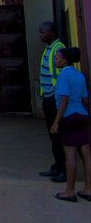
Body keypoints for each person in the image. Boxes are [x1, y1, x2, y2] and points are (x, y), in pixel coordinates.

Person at [49, 47, 90, 202]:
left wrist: (56, 122)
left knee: (70, 156)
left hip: (69, 117)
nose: (55, 60)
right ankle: (88, 188)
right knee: (86, 154)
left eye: (57, 58)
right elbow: (85, 101)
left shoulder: (63, 76)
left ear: (64, 60)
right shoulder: (80, 75)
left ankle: (70, 190)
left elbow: (64, 100)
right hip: (82, 116)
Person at [37, 21, 66, 182]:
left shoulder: (58, 49)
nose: (40, 35)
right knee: (53, 136)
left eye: (43, 32)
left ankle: (63, 169)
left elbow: (63, 74)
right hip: (48, 98)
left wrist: (54, 93)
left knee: (58, 134)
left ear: (52, 33)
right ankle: (57, 165)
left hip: (54, 99)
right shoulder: (49, 48)